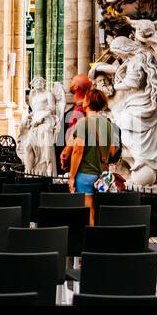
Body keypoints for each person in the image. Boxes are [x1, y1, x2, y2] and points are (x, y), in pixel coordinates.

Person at [60, 89, 122, 224]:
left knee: (89, 214)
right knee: (100, 213)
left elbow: (78, 151)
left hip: (85, 175)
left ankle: (89, 242)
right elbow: (111, 152)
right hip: (102, 176)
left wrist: (71, 177)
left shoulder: (83, 123)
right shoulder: (108, 124)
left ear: (87, 102)